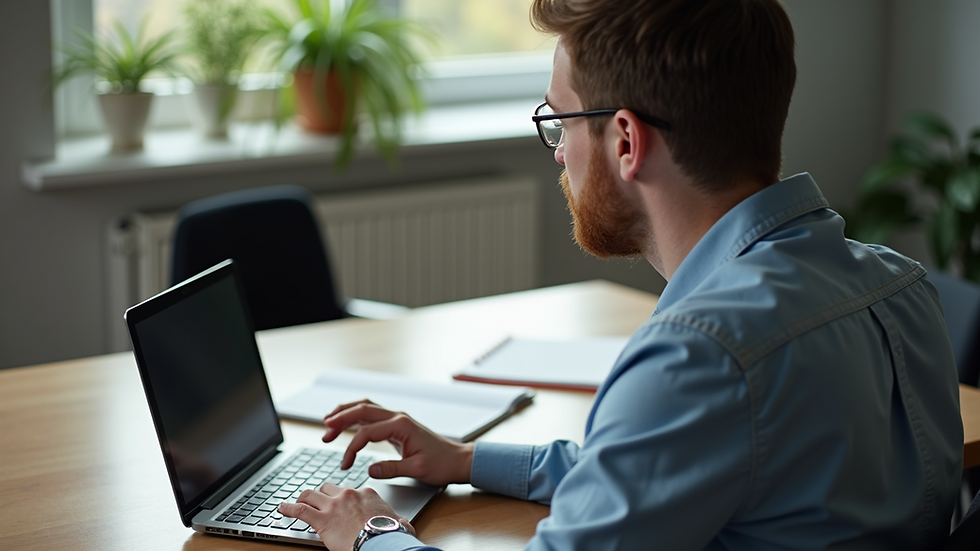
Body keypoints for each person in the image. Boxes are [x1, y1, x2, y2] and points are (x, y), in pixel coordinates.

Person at [279, 0, 964, 549]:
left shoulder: (701, 351)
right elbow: (663, 467)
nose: (558, 154)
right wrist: (465, 460)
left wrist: (369, 530)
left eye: (560, 121)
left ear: (627, 141)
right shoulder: (900, 283)